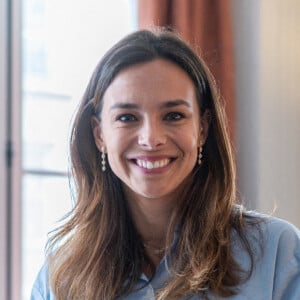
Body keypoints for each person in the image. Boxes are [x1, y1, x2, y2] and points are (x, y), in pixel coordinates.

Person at [31, 28, 300, 300]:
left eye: (173, 115)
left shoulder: (279, 253)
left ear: (203, 129)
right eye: (127, 117)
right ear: (99, 134)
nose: (151, 139)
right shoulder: (60, 275)